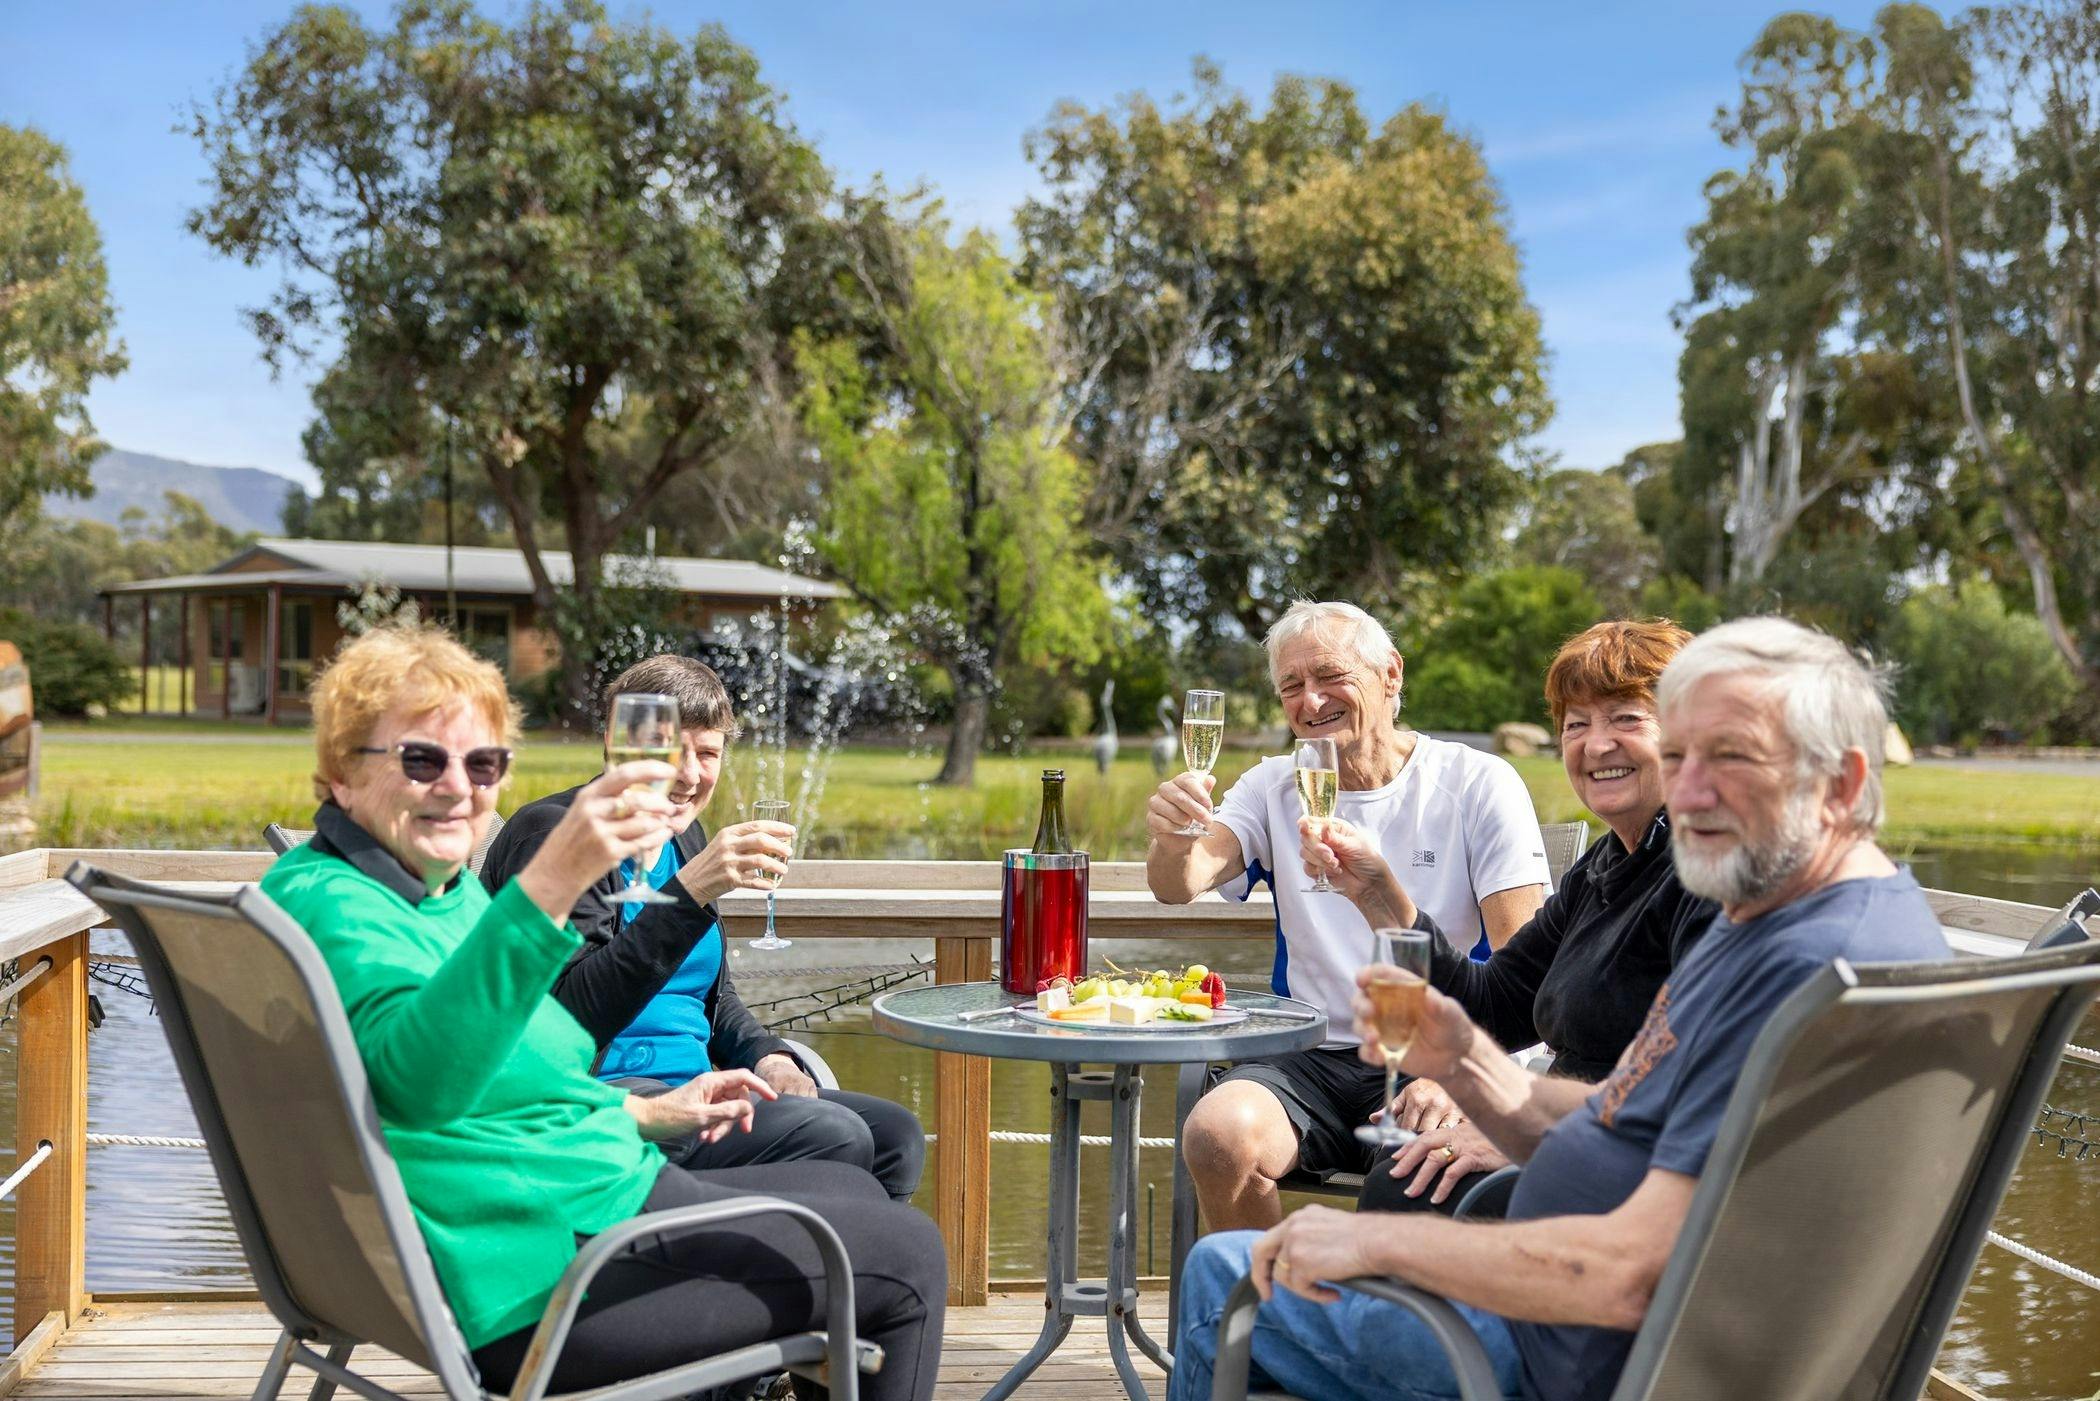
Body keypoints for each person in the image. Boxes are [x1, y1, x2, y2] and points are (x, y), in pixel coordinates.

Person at [1169, 616, 1951, 1401]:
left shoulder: (1801, 965)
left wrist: (1374, 1241)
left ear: (1843, 784)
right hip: (1591, 1313)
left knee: (1226, 1276)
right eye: (1679, 757)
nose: (1688, 789)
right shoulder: (1806, 917)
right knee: (1304, 1263)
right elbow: (1615, 1094)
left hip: (1569, 1349)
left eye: (1731, 757)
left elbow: (1625, 1274)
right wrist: (1465, 1055)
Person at [262, 627, 943, 1399]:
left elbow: (516, 1059)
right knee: (908, 1255)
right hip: (542, 1267)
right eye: (423, 759)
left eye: (483, 762)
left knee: (858, 1185)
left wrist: (649, 1112)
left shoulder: (412, 894)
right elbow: (430, 1081)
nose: (459, 786)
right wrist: (555, 879)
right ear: (339, 772)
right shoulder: (349, 907)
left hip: (562, 1203)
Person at [1147, 599, 1552, 1233]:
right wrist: (1173, 836)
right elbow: (1181, 883)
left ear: (1390, 675)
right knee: (1217, 1134)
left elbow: (1526, 966)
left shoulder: (1477, 782)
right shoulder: (1271, 785)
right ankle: (1260, 1320)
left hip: (1440, 1050)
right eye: (1291, 686)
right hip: (1309, 1056)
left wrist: (1464, 1075)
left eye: (1329, 677)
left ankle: (1383, 1322)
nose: (1310, 702)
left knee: (1415, 1170)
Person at [1299, 620, 1718, 1213]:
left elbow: (1703, 1068)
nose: (1596, 745)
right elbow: (1493, 1006)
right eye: (1576, 725)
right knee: (1408, 1174)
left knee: (1408, 1183)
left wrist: (1534, 1131)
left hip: (1638, 1166)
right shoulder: (1606, 864)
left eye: (1627, 718)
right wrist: (1378, 896)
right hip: (1583, 1134)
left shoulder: (1707, 870)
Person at [480, 654, 924, 1201]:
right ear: (622, 748)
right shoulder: (557, 835)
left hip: (703, 1086)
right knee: (833, 1135)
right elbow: (571, 1017)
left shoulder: (683, 838)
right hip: (608, 1102)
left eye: (708, 753)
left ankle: (839, 1273)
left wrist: (769, 1055)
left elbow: (708, 997)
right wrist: (687, 897)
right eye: (671, 751)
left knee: (895, 1136)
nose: (690, 776)